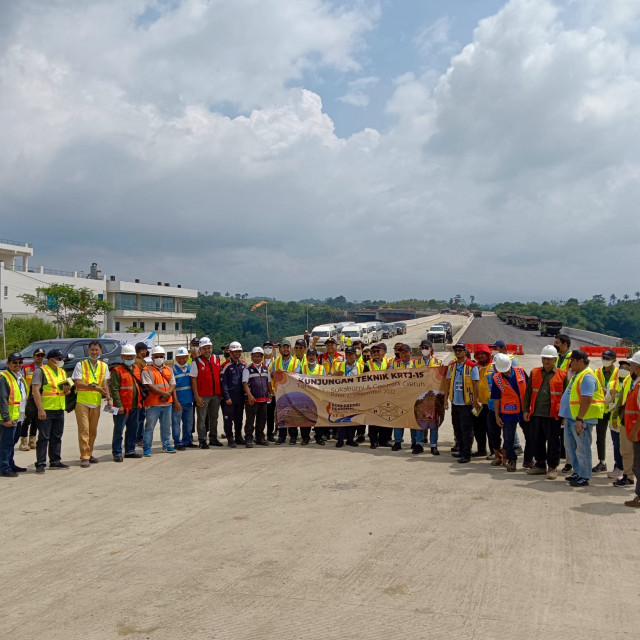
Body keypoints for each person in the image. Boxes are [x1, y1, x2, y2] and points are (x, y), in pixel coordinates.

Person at [559, 350, 605, 487]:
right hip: (571, 417)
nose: (570, 363)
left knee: (582, 448)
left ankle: (584, 476)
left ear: (581, 361)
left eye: (573, 360)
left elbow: (586, 399)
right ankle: (578, 472)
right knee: (570, 446)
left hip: (582, 419)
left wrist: (580, 419)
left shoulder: (587, 376)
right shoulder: (577, 374)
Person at [523, 345, 567, 479]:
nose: (546, 361)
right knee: (537, 440)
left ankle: (552, 466)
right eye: (544, 358)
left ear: (555, 359)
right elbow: (528, 393)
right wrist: (526, 410)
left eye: (549, 359)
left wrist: (564, 414)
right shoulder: (535, 372)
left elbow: (566, 396)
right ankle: (540, 464)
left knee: (553, 442)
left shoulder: (562, 375)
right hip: (536, 413)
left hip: (553, 415)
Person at [31, 349, 72, 473]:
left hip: (59, 408)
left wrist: (67, 390)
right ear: (51, 360)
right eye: (59, 359)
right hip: (46, 410)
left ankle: (55, 461)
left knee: (57, 437)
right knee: (44, 437)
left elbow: (67, 391)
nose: (61, 361)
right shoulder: (40, 371)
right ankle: (41, 463)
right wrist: (40, 409)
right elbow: (35, 391)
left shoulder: (62, 372)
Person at [73, 340, 112, 467]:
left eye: (97, 350)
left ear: (100, 351)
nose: (94, 352)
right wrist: (94, 388)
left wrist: (108, 398)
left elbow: (105, 384)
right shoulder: (80, 364)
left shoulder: (104, 366)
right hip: (82, 400)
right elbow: (77, 383)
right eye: (92, 350)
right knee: (84, 429)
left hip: (95, 401)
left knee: (93, 430)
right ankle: (84, 456)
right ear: (88, 351)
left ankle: (89, 453)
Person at [491, 354, 529, 472]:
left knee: (530, 436)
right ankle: (512, 460)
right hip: (508, 412)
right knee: (508, 439)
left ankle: (528, 460)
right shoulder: (496, 379)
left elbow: (529, 390)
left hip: (524, 410)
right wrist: (497, 415)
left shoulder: (521, 372)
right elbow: (496, 399)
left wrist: (529, 409)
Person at [446, 343, 480, 464]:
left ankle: (467, 453)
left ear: (466, 352)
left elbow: (476, 384)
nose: (458, 352)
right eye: (456, 351)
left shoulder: (472, 366)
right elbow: (448, 383)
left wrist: (475, 401)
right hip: (455, 402)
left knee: (467, 430)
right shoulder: (452, 366)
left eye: (460, 350)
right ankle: (461, 450)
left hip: (467, 403)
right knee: (457, 428)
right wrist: (446, 399)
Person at [109, 344, 144, 462]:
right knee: (119, 430)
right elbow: (114, 389)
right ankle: (117, 452)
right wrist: (118, 405)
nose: (129, 359)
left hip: (135, 405)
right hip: (122, 407)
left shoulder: (136, 368)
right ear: (122, 357)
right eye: (127, 357)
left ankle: (130, 450)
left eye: (131, 357)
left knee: (133, 429)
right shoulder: (117, 371)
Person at [141, 345, 176, 456]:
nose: (159, 358)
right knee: (150, 427)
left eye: (161, 356)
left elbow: (173, 383)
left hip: (167, 403)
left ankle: (167, 445)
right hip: (153, 404)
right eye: (157, 356)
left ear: (164, 357)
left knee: (166, 426)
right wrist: (164, 394)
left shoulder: (169, 369)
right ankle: (147, 447)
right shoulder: (147, 370)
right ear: (152, 358)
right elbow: (149, 386)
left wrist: (167, 394)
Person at [190, 337, 224, 449]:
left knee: (214, 417)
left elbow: (220, 376)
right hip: (203, 395)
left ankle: (213, 438)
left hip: (216, 394)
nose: (207, 351)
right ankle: (202, 440)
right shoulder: (196, 362)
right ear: (201, 349)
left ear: (212, 348)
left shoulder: (217, 359)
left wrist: (221, 393)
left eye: (209, 348)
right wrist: (196, 396)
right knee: (202, 417)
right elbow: (193, 380)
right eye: (204, 348)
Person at [390, 345, 424, 453]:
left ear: (411, 353)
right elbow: (388, 378)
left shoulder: (417, 364)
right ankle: (398, 442)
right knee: (399, 419)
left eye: (406, 352)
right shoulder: (395, 364)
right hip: (399, 396)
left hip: (414, 396)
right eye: (401, 353)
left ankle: (417, 443)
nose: (403, 355)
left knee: (416, 420)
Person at [0, 352, 28, 477]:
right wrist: (6, 418)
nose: (18, 365)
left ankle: (11, 464)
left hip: (18, 415)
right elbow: (2, 399)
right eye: (14, 362)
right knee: (6, 444)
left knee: (12, 442)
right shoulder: (4, 378)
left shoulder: (19, 376)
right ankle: (4, 467)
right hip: (8, 418)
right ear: (8, 363)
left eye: (20, 362)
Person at [592, 349, 619, 473]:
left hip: (615, 408)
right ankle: (602, 462)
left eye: (608, 359)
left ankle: (617, 464)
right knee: (600, 436)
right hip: (602, 408)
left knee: (616, 438)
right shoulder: (596, 372)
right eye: (603, 358)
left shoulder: (620, 373)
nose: (605, 360)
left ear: (614, 360)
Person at [271, 339, 301, 445]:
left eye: (287, 347)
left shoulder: (296, 362)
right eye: (284, 347)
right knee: (282, 415)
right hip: (280, 392)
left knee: (293, 414)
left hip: (292, 392)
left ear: (290, 349)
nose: (286, 349)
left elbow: (296, 375)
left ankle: (293, 436)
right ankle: (282, 436)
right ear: (280, 349)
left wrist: (282, 373)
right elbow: (272, 375)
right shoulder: (276, 362)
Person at [416, 339, 443, 455]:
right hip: (419, 395)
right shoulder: (415, 362)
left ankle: (433, 445)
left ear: (431, 348)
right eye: (422, 348)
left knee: (433, 422)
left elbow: (442, 379)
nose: (424, 350)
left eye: (426, 348)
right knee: (419, 421)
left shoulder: (439, 362)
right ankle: (419, 444)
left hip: (434, 396)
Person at [611, 361, 635, 487]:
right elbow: (621, 400)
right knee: (625, 450)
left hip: (635, 422)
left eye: (631, 366)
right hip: (626, 421)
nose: (629, 368)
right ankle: (628, 476)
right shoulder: (627, 380)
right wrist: (615, 416)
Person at [242, 347, 270, 448]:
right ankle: (248, 438)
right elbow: (245, 384)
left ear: (262, 357)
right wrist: (249, 396)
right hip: (252, 399)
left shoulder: (265, 368)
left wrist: (270, 393)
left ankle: (260, 437)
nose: (257, 358)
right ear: (252, 357)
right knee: (250, 420)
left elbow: (268, 382)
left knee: (262, 419)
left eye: (259, 356)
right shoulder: (247, 369)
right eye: (255, 356)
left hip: (263, 398)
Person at [622, 352, 640, 507]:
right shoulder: (636, 383)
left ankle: (639, 498)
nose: (630, 367)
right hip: (636, 431)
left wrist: (634, 431)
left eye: (633, 364)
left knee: (638, 467)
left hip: (638, 433)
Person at [18, 347, 45, 451]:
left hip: (40, 396)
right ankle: (23, 441)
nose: (40, 357)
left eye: (42, 355)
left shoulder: (45, 369)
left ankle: (32, 440)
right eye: (38, 355)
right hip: (28, 397)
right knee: (26, 419)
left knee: (36, 419)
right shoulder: (26, 368)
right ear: (34, 356)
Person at [334, 346, 361, 447]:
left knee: (352, 419)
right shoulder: (339, 365)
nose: (349, 356)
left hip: (355, 396)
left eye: (351, 354)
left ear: (355, 355)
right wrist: (336, 374)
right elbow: (331, 379)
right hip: (341, 396)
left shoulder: (361, 366)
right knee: (341, 418)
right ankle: (340, 440)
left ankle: (350, 439)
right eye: (347, 354)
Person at [221, 341, 246, 447]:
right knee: (228, 419)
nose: (237, 353)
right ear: (230, 353)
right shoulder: (225, 366)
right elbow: (223, 383)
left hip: (240, 396)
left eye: (239, 351)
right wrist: (227, 397)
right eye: (235, 351)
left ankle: (238, 437)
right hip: (230, 396)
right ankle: (230, 438)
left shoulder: (243, 365)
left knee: (239, 418)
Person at [300, 348, 326, 445]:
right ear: (307, 357)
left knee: (319, 419)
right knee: (305, 418)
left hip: (317, 397)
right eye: (309, 355)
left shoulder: (321, 368)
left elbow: (325, 382)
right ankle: (305, 438)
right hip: (305, 397)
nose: (311, 357)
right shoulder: (302, 368)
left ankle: (319, 437)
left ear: (316, 357)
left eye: (313, 355)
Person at [367, 344, 390, 448]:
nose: (376, 353)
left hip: (386, 394)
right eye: (374, 352)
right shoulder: (367, 365)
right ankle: (373, 441)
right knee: (373, 419)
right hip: (373, 395)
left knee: (386, 418)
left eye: (378, 351)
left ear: (382, 352)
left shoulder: (389, 362)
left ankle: (384, 440)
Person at [172, 347, 195, 451]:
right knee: (176, 424)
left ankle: (187, 440)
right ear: (176, 358)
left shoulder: (190, 368)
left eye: (184, 358)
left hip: (189, 401)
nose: (182, 360)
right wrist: (176, 402)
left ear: (187, 357)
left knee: (188, 423)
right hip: (178, 402)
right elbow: (172, 388)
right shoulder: (172, 370)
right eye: (179, 358)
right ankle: (177, 442)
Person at [472, 344, 493, 460]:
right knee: (477, 428)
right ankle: (481, 450)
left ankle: (493, 451)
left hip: (490, 404)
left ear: (487, 354)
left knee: (491, 429)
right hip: (477, 404)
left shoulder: (494, 367)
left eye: (482, 354)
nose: (480, 356)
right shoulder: (475, 367)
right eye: (478, 354)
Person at [134, 342, 150, 446]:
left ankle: (139, 436)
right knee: (140, 417)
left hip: (141, 394)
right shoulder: (138, 362)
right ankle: (139, 438)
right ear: (142, 350)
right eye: (145, 350)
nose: (147, 352)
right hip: (139, 394)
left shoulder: (141, 361)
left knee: (141, 417)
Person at [263, 341, 277, 442]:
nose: (268, 348)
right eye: (266, 347)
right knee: (261, 414)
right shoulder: (259, 361)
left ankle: (270, 433)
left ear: (273, 349)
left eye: (270, 347)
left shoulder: (276, 361)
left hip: (274, 391)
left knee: (271, 414)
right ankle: (260, 433)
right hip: (262, 391)